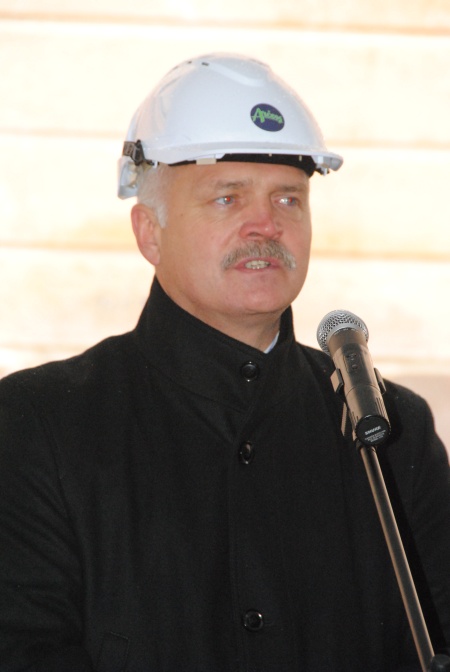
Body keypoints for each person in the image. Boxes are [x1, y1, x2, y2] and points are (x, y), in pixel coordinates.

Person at [0, 53, 448, 672]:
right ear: (148, 232)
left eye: (288, 199)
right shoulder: (38, 424)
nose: (265, 224)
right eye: (226, 198)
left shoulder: (391, 429)